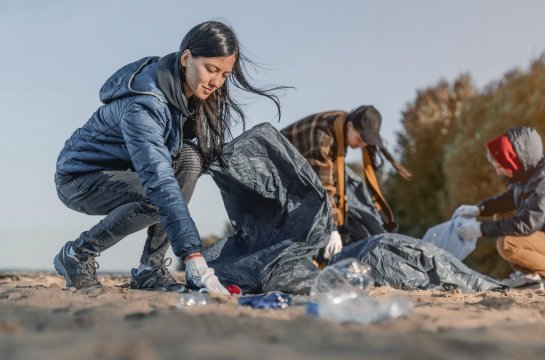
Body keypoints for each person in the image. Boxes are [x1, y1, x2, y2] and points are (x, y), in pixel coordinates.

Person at [53, 21, 283, 293]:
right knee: (157, 195)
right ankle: (77, 254)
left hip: (128, 172)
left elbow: (181, 162)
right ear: (187, 58)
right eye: (211, 70)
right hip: (80, 178)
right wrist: (193, 255)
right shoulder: (145, 105)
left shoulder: (186, 96)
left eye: (224, 74)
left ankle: (151, 267)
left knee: (190, 158)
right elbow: (158, 179)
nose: (217, 82)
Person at [454, 126, 545, 293]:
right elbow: (509, 199)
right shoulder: (528, 172)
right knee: (501, 214)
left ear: (514, 158)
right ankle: (529, 277)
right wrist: (479, 209)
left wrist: (481, 229)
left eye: (500, 166)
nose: (498, 171)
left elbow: (526, 224)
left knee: (507, 244)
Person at [281, 106, 412, 261]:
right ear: (350, 126)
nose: (363, 145)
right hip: (280, 174)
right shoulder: (323, 138)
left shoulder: (342, 122)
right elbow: (322, 187)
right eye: (360, 139)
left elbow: (335, 180)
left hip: (303, 173)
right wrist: (332, 229)